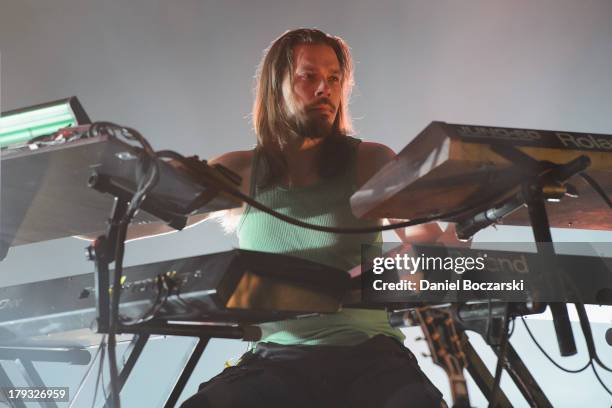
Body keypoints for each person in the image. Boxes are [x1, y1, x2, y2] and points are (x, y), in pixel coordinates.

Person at [178, 28, 448, 407]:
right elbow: (141, 218)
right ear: (276, 85)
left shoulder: (371, 161)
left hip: (369, 356)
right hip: (275, 361)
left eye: (334, 78)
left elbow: (432, 246)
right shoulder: (238, 171)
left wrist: (460, 229)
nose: (326, 89)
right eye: (309, 76)